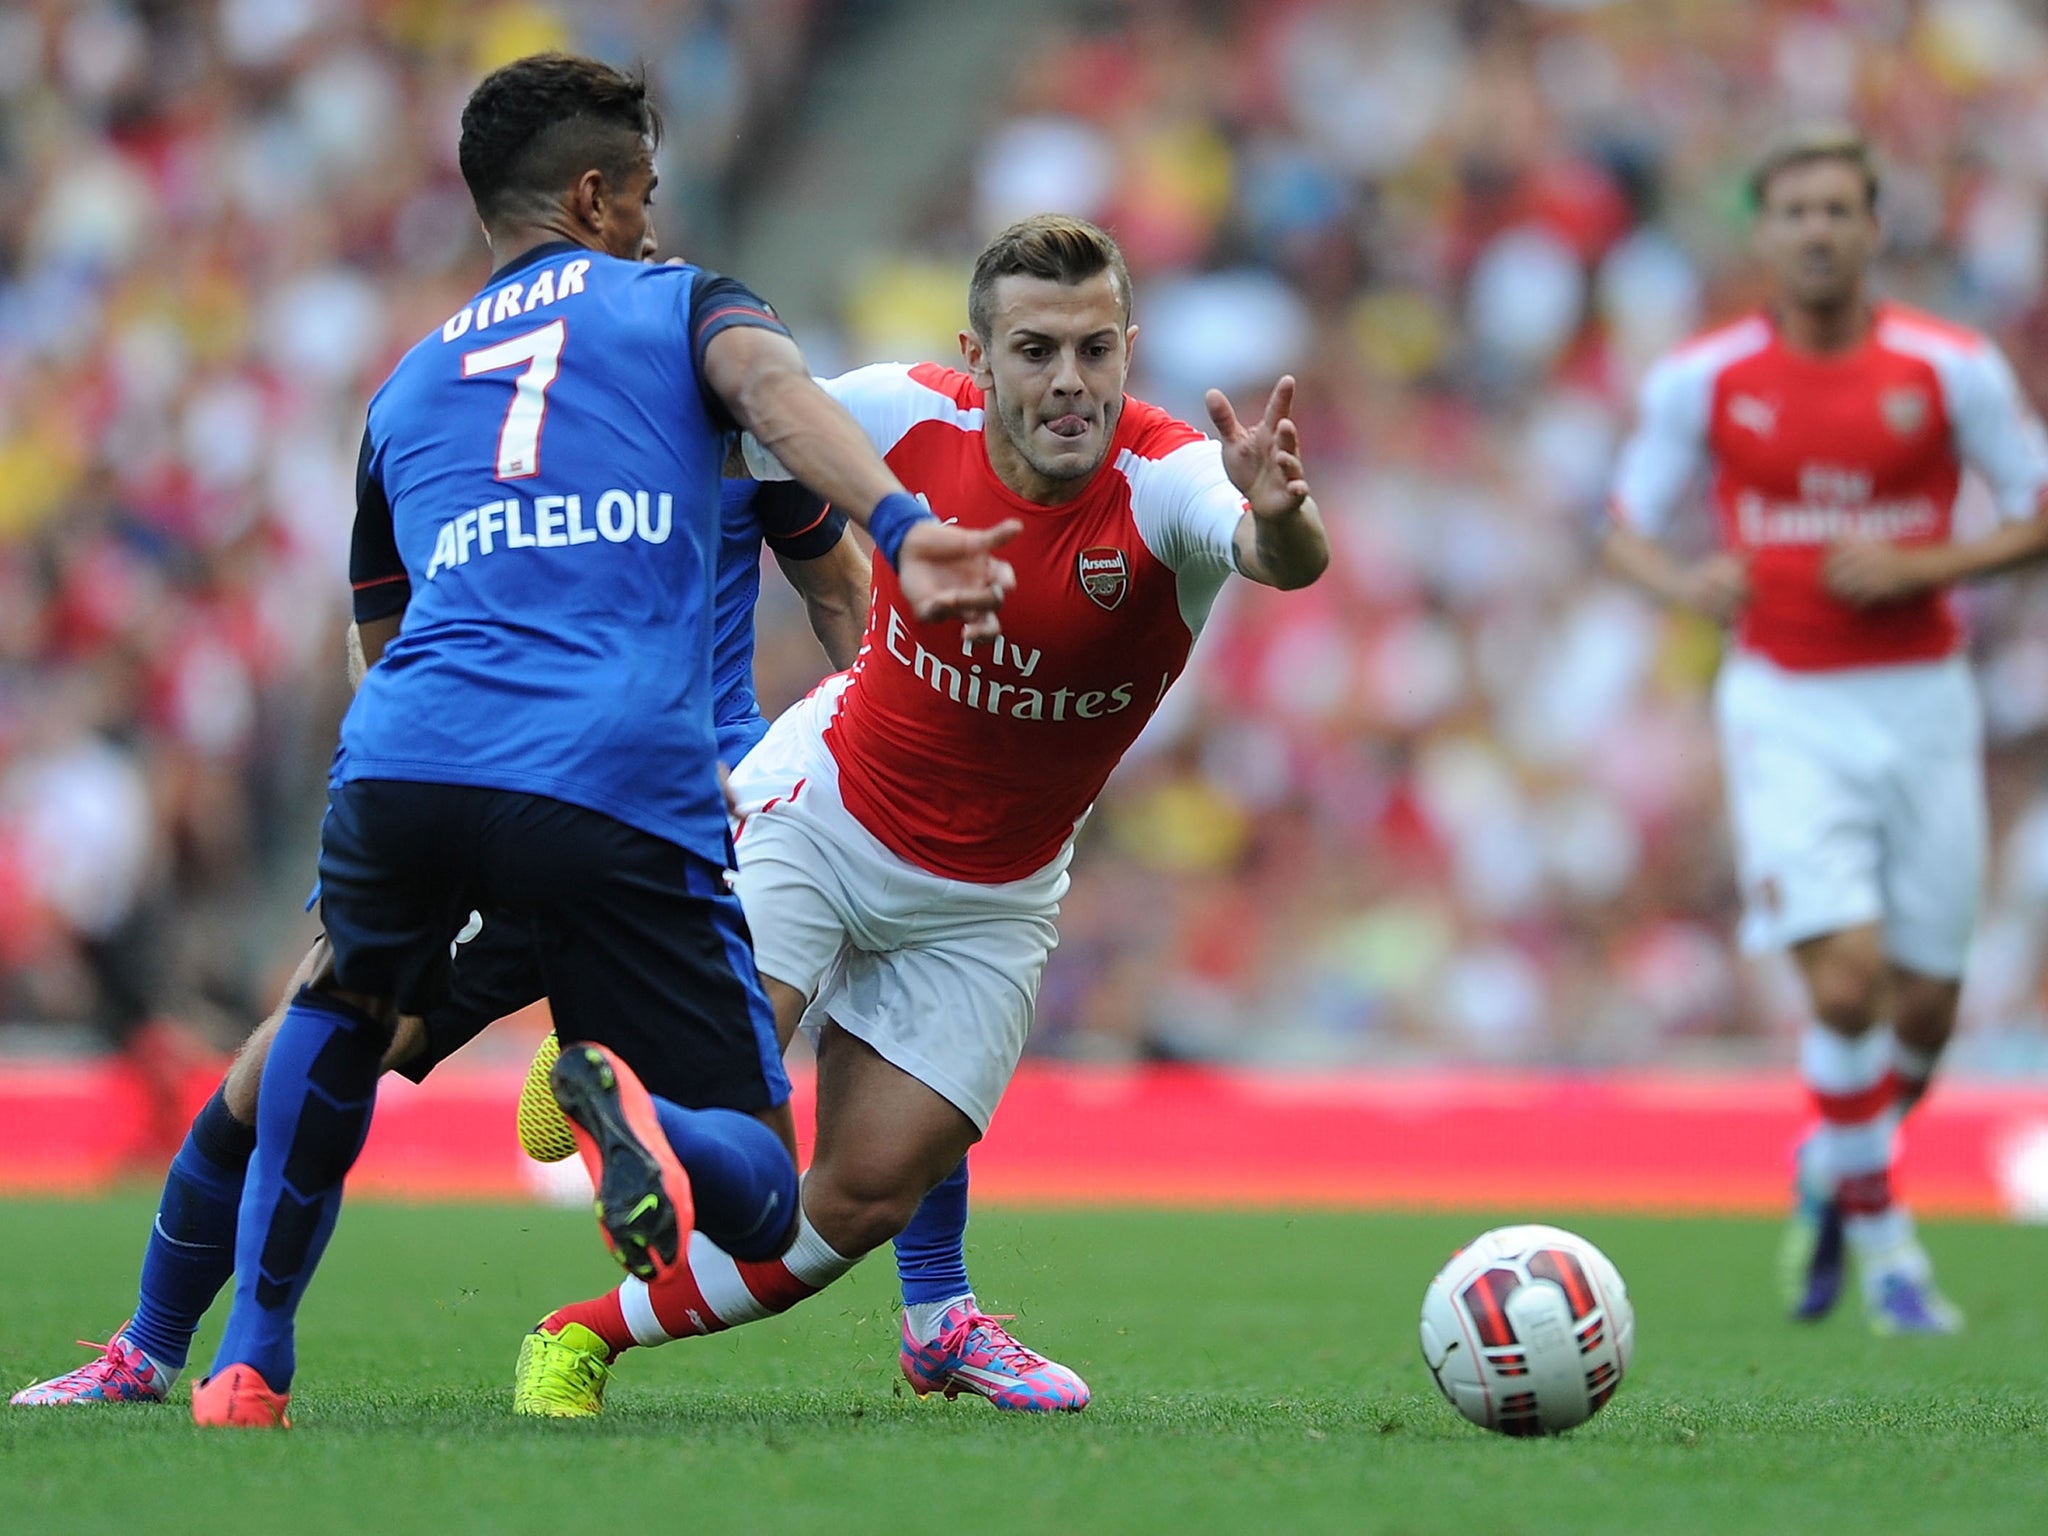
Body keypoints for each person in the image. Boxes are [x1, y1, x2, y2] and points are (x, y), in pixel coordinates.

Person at [158, 52, 1014, 1430]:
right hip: (636, 788)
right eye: (648, 194)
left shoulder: (403, 389)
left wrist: (385, 834)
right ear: (598, 194)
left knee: (324, 1027)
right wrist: (904, 528)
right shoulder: (688, 317)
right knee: (760, 1183)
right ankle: (649, 1107)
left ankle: (241, 1361)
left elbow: (379, 633)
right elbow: (791, 433)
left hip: (415, 757)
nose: (658, 222)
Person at [511, 212, 1328, 1416]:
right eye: (1036, 350)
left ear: (1127, 350)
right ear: (976, 354)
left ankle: (579, 1335)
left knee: (857, 1198)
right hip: (826, 814)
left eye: (1095, 351)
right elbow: (719, 439)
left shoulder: (1170, 482)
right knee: (724, 1108)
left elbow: (1281, 557)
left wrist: (1278, 509)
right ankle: (605, 1059)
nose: (1068, 382)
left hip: (989, 901)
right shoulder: (899, 411)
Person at [6, 474, 868, 1410]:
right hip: (688, 806)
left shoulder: (510, 404)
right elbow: (844, 594)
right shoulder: (721, 397)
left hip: (516, 794)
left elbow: (382, 641)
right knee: (773, 1149)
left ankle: (172, 1351)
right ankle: (639, 1103)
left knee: (313, 1043)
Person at [1602, 127, 2048, 1334]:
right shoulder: (1703, 380)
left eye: (1835, 210)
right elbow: (1623, 524)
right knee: (1842, 983)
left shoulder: (1948, 370)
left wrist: (1928, 561)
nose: (1813, 230)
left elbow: (2035, 509)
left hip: (1922, 701)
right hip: (1784, 698)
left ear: (1870, 227)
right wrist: (1679, 583)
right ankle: (1891, 1250)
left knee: (1923, 1013)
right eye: (1791, 210)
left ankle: (1828, 1167)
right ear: (1762, 231)